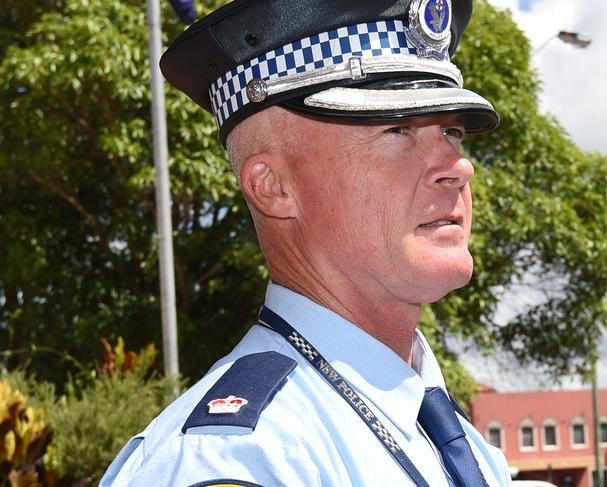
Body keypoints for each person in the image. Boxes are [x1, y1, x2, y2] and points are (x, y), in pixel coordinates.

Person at [102, 0, 512, 485]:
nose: (459, 166)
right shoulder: (242, 459)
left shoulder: (463, 446)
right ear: (273, 186)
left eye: (451, 131)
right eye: (397, 129)